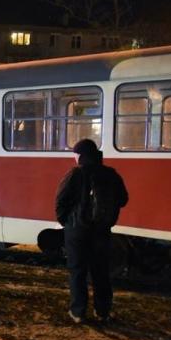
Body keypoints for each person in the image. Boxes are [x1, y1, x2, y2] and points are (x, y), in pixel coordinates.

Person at [55, 139, 128, 324]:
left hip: (77, 231)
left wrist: (67, 222)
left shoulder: (75, 173)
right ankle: (102, 311)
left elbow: (61, 201)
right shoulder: (110, 174)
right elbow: (123, 199)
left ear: (80, 155)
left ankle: (78, 312)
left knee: (77, 271)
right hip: (101, 230)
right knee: (101, 271)